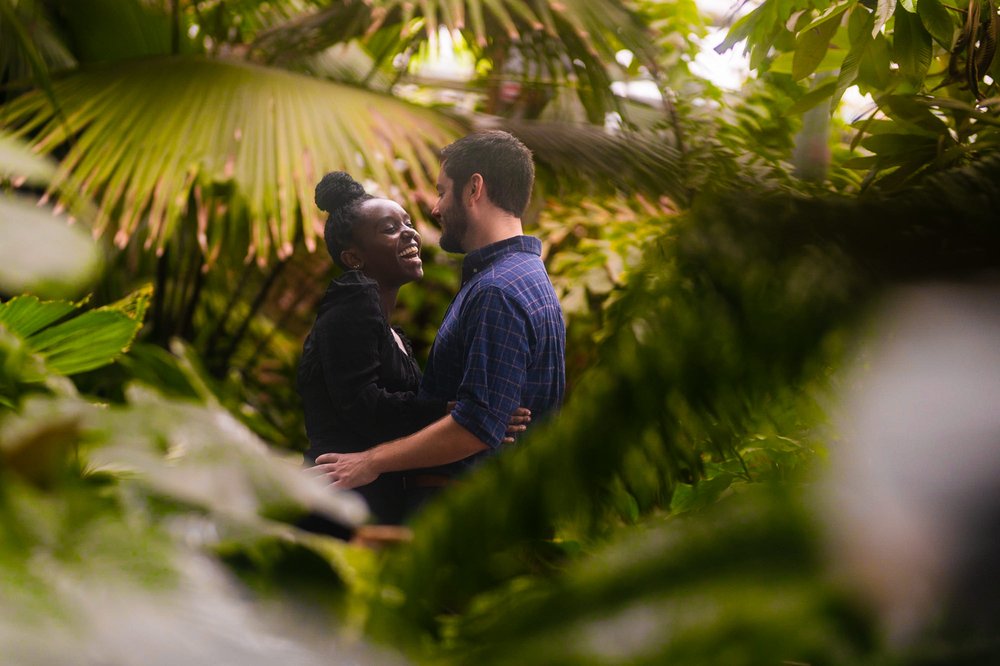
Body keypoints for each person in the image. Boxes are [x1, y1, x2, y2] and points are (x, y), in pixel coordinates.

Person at [314, 130, 566, 513]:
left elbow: (477, 425)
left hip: (465, 511)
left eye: (443, 191)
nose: (435, 208)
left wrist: (370, 461)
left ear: (474, 189)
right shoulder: (521, 279)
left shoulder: (497, 290)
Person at [297, 171, 530, 527]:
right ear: (354, 258)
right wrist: (453, 412)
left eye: (407, 222)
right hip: (341, 501)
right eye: (389, 228)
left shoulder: (389, 330)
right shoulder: (352, 304)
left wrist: (482, 411)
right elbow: (365, 407)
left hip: (373, 498)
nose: (409, 232)